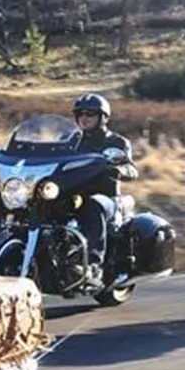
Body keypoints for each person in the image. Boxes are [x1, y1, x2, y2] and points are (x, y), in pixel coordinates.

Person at [66, 92, 140, 287]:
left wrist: (118, 169)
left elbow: (131, 170)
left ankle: (93, 265)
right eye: (80, 113)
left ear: (103, 117)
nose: (84, 118)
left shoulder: (117, 142)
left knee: (94, 205)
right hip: (75, 195)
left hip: (107, 198)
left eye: (90, 113)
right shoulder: (72, 141)